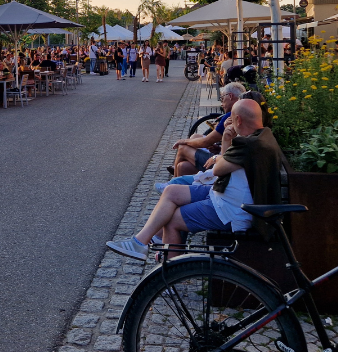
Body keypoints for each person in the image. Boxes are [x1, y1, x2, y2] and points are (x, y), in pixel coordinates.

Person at [107, 99, 284, 260]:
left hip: (234, 209)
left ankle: (170, 276)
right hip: (228, 196)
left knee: (173, 220)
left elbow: (218, 170)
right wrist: (227, 141)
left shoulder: (248, 145)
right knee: (171, 191)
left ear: (237, 120)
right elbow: (223, 165)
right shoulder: (262, 136)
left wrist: (221, 150)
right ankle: (140, 242)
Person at [170, 82, 246, 177]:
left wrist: (184, 141)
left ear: (230, 96)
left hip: (223, 162)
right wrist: (218, 148)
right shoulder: (241, 112)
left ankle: (172, 182)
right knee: (184, 162)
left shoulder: (230, 116)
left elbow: (206, 142)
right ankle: (176, 172)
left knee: (182, 148)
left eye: (222, 98)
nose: (222, 103)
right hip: (226, 156)